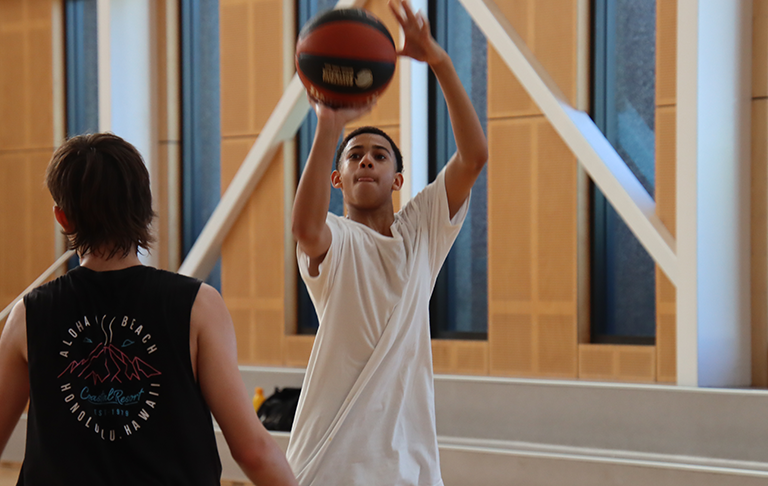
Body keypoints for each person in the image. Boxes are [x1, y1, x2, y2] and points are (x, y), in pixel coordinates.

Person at [0, 133, 298, 486]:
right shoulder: (199, 305)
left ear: (63, 218)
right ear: (144, 208)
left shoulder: (28, 315)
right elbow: (252, 451)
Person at [286, 0, 488, 484]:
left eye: (379, 156)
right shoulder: (337, 239)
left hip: (406, 460)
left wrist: (439, 60)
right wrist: (330, 123)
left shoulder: (421, 232)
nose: (367, 162)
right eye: (355, 156)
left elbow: (475, 155)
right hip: (328, 456)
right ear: (337, 179)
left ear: (399, 180)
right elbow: (306, 230)